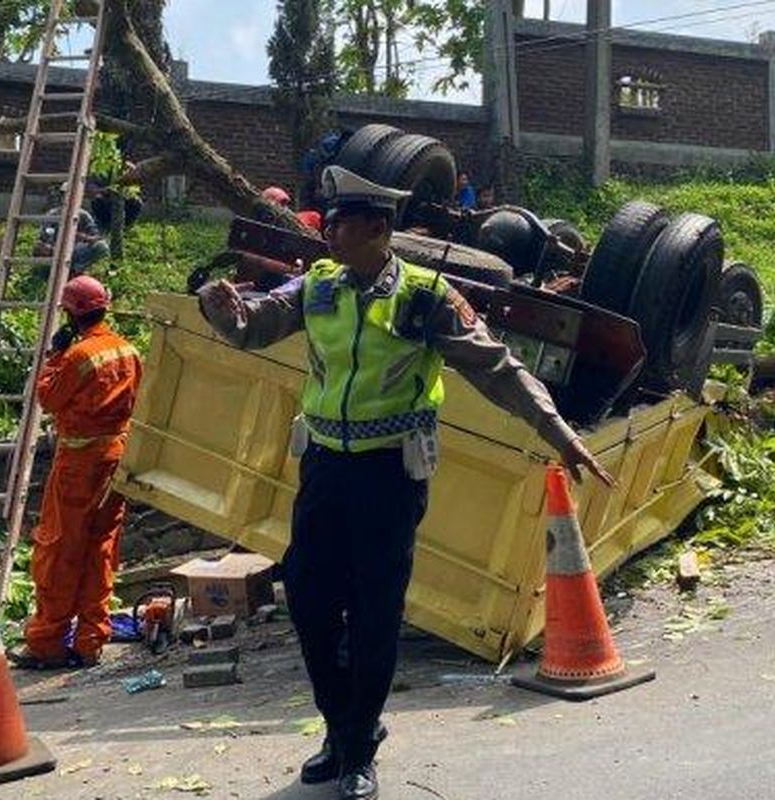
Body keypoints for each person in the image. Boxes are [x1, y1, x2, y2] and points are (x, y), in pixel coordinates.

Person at [198, 165, 614, 800]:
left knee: (374, 612)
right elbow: (252, 327)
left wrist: (561, 434)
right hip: (326, 470)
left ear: (376, 228)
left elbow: (499, 370)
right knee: (308, 599)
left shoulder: (427, 297)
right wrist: (221, 311)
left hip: (390, 475)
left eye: (338, 223)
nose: (327, 232)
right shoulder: (318, 287)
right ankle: (344, 729)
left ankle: (357, 744)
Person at [8, 276, 142, 670]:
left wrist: (52, 358)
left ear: (70, 313)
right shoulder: (128, 349)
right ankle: (90, 640)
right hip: (116, 456)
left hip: (79, 463)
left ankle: (47, 641)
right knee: (101, 549)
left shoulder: (78, 357)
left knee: (60, 549)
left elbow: (49, 398)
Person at [35, 186, 110, 274]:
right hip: (55, 250)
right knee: (39, 249)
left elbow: (95, 237)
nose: (68, 198)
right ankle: (51, 271)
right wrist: (48, 247)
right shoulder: (52, 215)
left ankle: (76, 270)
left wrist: (81, 236)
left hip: (76, 250)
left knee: (102, 247)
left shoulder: (83, 215)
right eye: (65, 195)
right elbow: (43, 237)